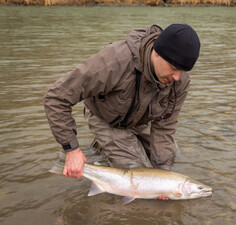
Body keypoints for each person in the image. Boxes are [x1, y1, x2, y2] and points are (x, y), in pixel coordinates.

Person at [44, 24, 201, 181]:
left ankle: (106, 149)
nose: (177, 77)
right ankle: (105, 146)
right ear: (157, 53)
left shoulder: (180, 82)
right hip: (106, 119)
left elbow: (164, 128)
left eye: (183, 71)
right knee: (138, 173)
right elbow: (57, 97)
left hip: (140, 119)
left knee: (170, 157)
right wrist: (72, 150)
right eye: (173, 68)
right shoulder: (114, 61)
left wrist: (163, 175)